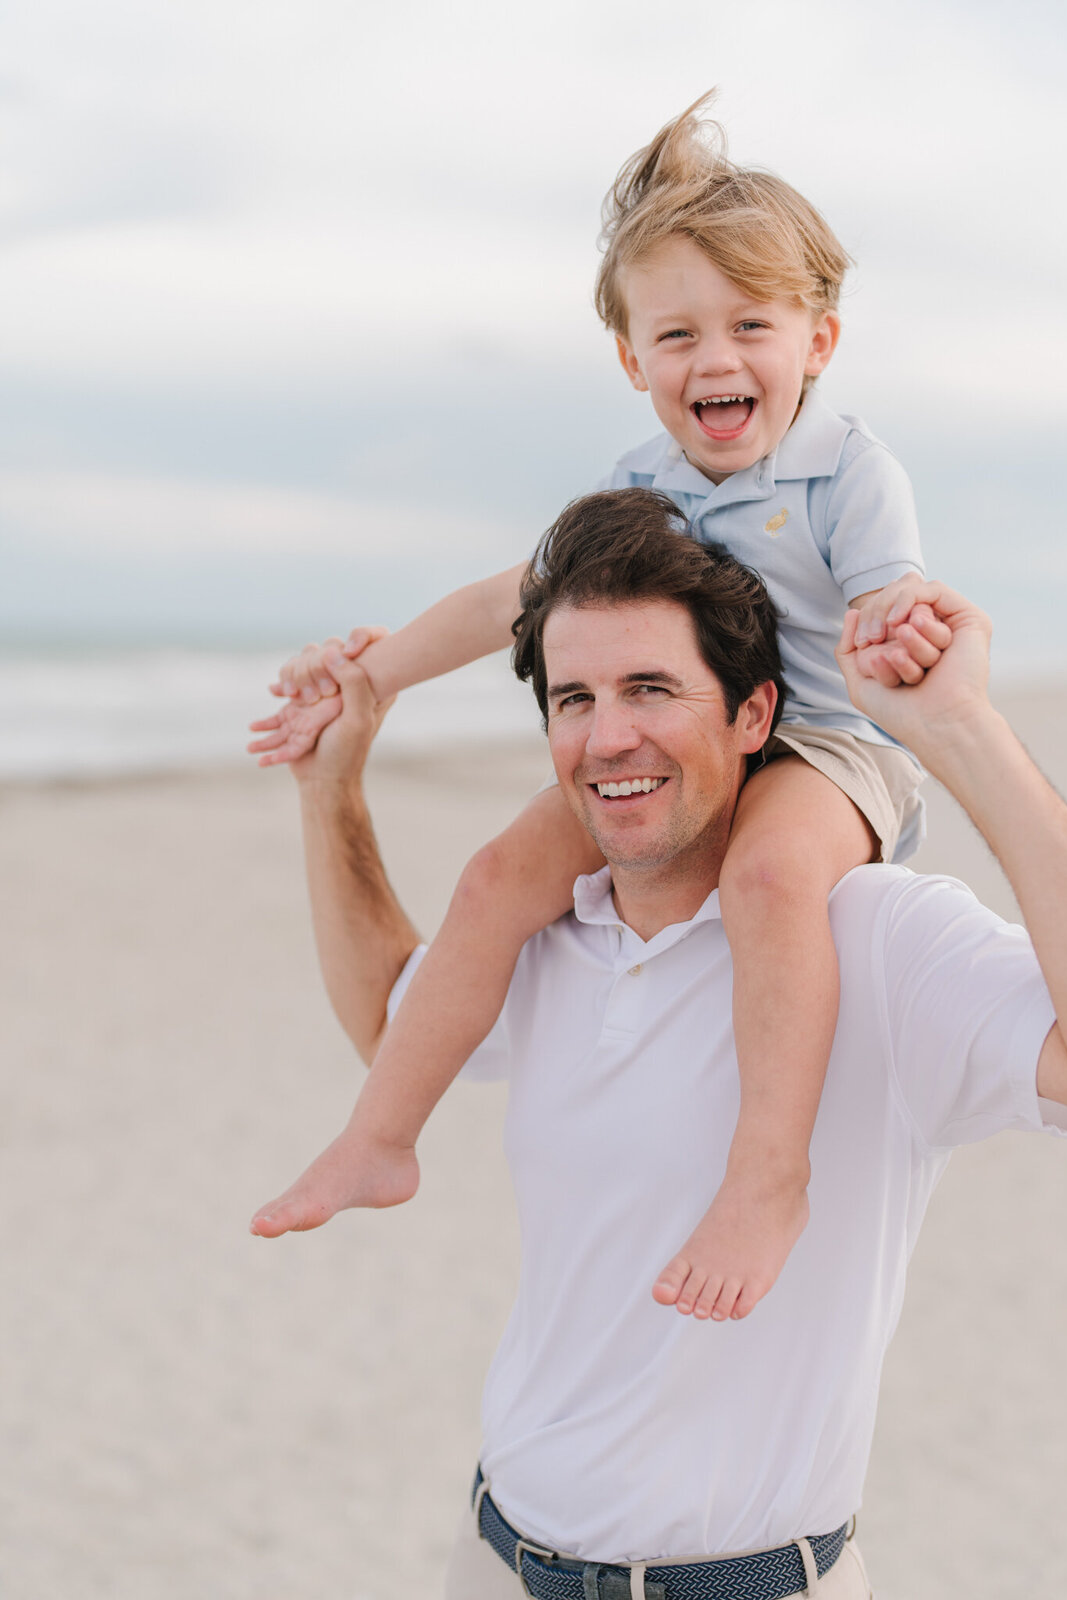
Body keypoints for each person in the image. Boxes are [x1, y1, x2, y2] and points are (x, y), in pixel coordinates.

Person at [254, 491, 1067, 1599]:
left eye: (651, 689)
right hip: (496, 1558)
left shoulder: (873, 938)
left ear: (754, 715)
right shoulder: (549, 930)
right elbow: (389, 1022)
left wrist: (960, 731)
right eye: (574, 699)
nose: (609, 736)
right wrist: (331, 786)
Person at [246, 94, 945, 1321]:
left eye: (752, 325)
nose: (715, 359)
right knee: (493, 875)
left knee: (770, 877)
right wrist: (374, 675)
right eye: (676, 334)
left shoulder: (849, 470)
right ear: (632, 360)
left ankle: (767, 1176)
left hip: (830, 749)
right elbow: (507, 599)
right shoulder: (639, 490)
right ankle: (380, 1135)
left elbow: (890, 596)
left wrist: (906, 626)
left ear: (819, 340)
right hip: (687, 744)